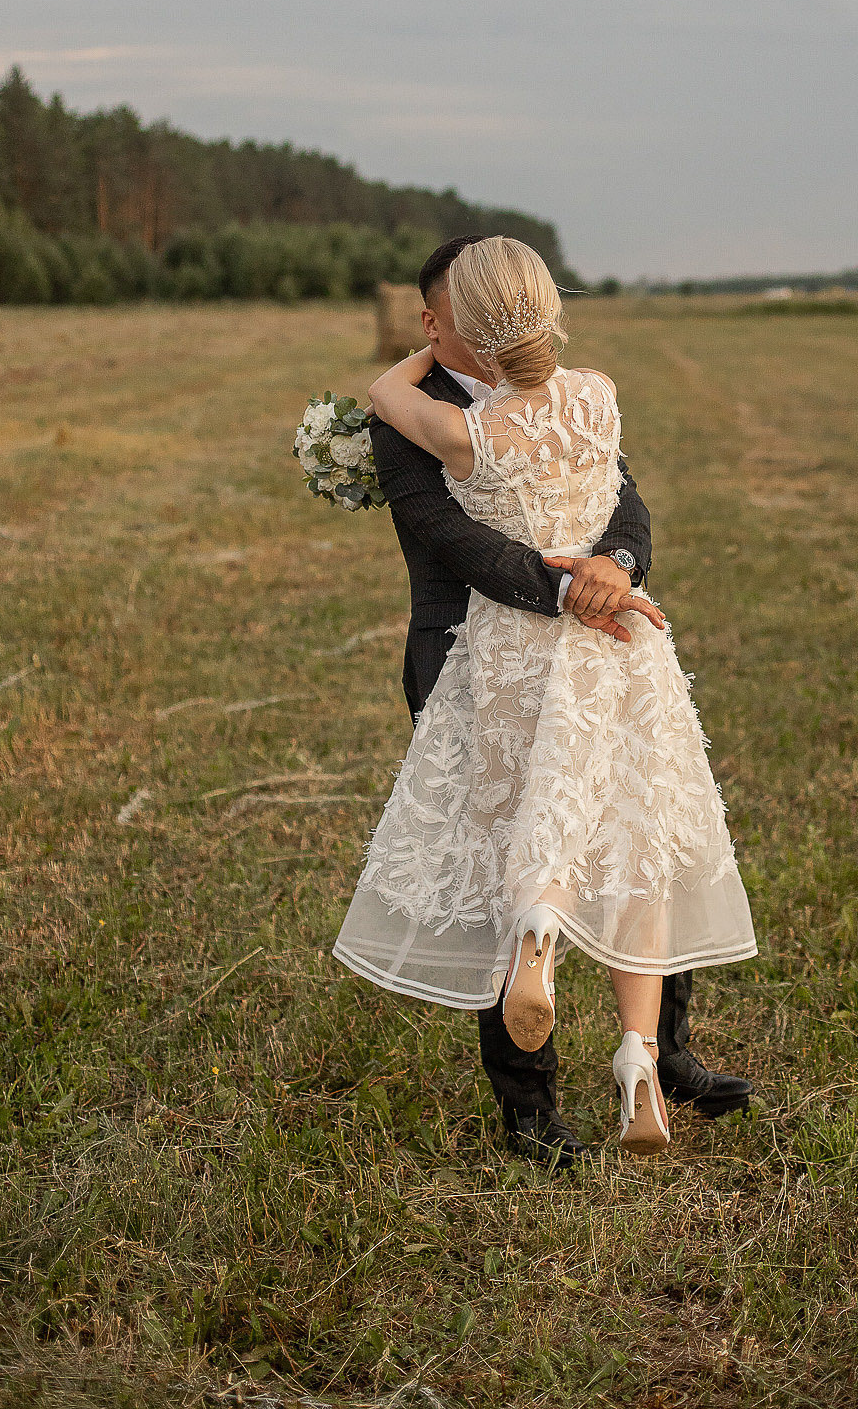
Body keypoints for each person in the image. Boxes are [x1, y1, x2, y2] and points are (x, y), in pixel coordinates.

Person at [334, 236, 755, 1165]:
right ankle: (530, 1106)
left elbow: (626, 501)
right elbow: (446, 539)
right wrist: (574, 591)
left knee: (642, 830)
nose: (430, 327)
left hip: (595, 630)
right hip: (470, 654)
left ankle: (669, 1052)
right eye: (424, 314)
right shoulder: (423, 418)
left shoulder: (552, 403)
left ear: (465, 317)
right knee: (505, 860)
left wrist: (618, 565)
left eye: (444, 312)